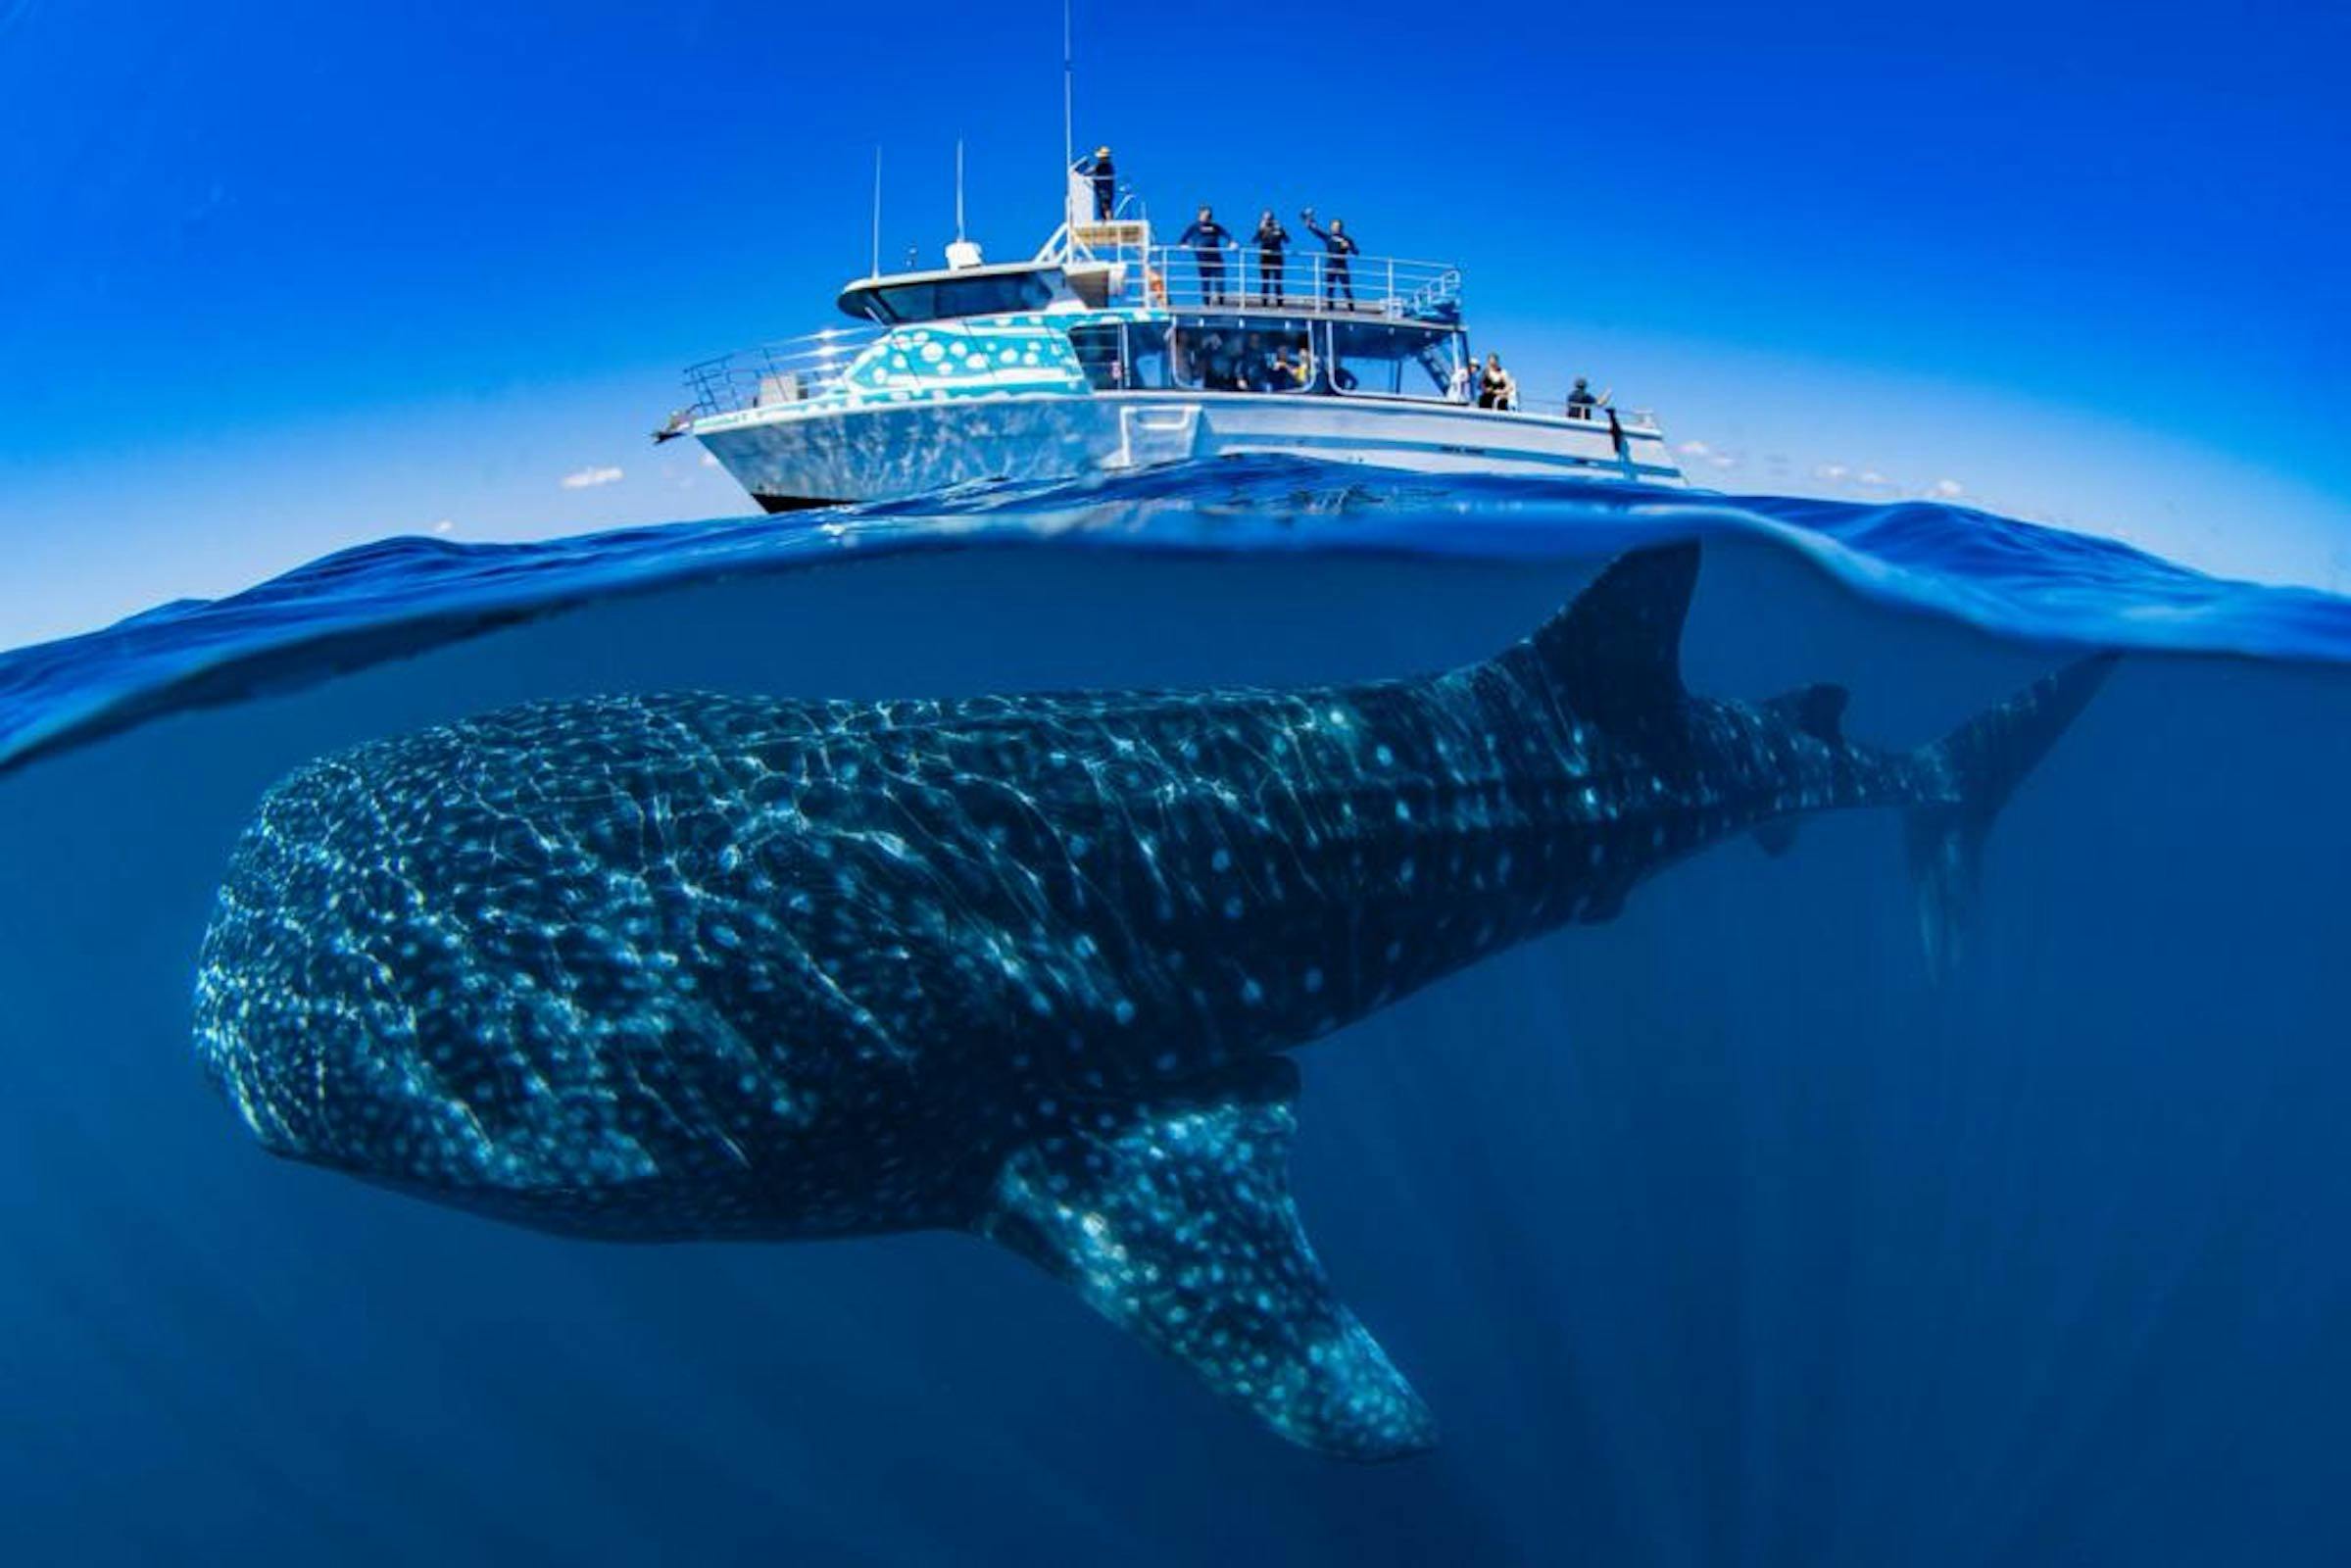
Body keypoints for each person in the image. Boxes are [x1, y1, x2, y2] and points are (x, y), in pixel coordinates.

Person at [1301, 208, 1359, 310]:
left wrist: (1348, 247)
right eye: (1333, 226)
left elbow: (1356, 252)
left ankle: (1351, 309)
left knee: (1346, 288)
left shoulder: (1347, 239)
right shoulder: (1328, 237)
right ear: (1331, 228)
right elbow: (1315, 230)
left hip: (1342, 265)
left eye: (1337, 226)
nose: (1335, 228)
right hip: (1331, 265)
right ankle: (1330, 308)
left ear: (1341, 228)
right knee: (1330, 288)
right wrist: (1307, 218)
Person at [1178, 205, 1232, 305]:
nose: (1208, 217)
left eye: (1209, 215)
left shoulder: (1215, 227)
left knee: (1220, 281)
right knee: (1206, 281)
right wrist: (1185, 246)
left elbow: (1227, 235)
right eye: (1206, 215)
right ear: (1200, 215)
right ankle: (1206, 303)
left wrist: (1231, 242)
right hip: (1203, 258)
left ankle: (1221, 301)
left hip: (1216, 257)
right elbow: (1182, 240)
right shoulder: (1194, 227)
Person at [1251, 210, 1290, 306]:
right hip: (1265, 258)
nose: (1268, 220)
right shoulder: (1262, 229)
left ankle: (1280, 303)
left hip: (1277, 258)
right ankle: (1264, 303)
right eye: (1266, 218)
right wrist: (1260, 230)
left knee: (1278, 281)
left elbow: (1287, 240)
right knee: (1265, 281)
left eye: (1270, 218)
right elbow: (1254, 241)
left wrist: (1281, 230)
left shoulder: (1277, 229)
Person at [1076, 146, 1117, 221]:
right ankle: (1107, 220)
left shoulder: (1103, 166)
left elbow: (1089, 171)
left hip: (1104, 190)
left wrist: (1079, 171)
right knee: (1104, 206)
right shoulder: (1108, 166)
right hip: (1105, 190)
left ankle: (1109, 220)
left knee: (1105, 206)